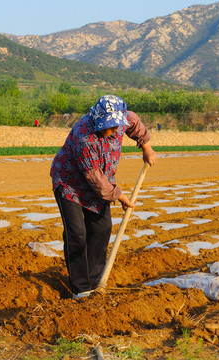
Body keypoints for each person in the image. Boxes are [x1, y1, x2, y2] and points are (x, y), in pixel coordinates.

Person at [50, 95, 157, 299]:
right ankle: (80, 288)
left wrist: (146, 147)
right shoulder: (84, 138)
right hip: (70, 182)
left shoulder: (121, 121)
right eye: (109, 126)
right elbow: (96, 179)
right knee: (77, 233)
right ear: (98, 121)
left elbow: (133, 122)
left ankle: (95, 280)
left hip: (100, 181)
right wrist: (121, 196)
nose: (115, 130)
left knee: (101, 227)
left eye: (117, 125)